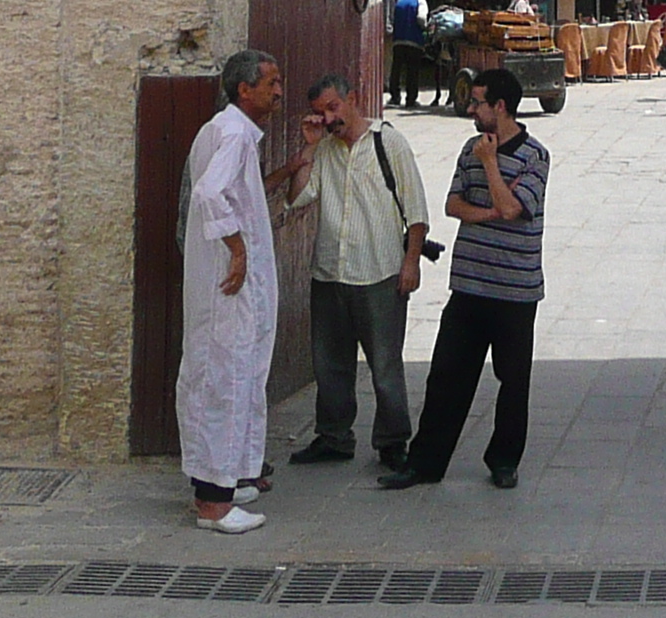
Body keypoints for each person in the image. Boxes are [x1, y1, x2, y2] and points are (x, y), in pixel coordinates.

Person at [379, 68, 547, 491]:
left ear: (500, 107)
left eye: (478, 103)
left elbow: (514, 209)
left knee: (512, 380)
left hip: (515, 290)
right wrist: (491, 208)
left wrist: (490, 166)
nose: (471, 109)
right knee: (447, 376)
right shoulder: (467, 149)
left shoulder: (535, 156)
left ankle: (504, 461)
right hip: (469, 286)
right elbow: (454, 205)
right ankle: (426, 463)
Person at [283, 71, 430, 474]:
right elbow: (297, 198)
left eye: (333, 107)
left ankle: (393, 441)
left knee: (385, 364)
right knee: (330, 364)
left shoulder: (389, 142)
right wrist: (308, 149)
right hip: (330, 273)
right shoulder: (325, 150)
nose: (329, 119)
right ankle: (333, 436)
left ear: (353, 99)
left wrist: (411, 263)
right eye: (320, 113)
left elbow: (416, 209)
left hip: (379, 272)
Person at [179, 47, 284, 532]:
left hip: (228, 286)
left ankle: (230, 479)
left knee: (235, 374)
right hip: (227, 284)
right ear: (245, 90)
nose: (278, 91)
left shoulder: (228, 131)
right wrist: (238, 250)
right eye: (271, 83)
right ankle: (214, 503)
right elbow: (208, 193)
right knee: (223, 378)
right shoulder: (233, 134)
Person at [388, 0, 432, 109]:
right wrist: (425, 28)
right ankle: (410, 99)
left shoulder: (399, 2)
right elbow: (421, 18)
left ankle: (395, 97)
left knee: (396, 69)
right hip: (414, 41)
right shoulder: (420, 1)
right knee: (412, 71)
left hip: (398, 40)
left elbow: (392, 18)